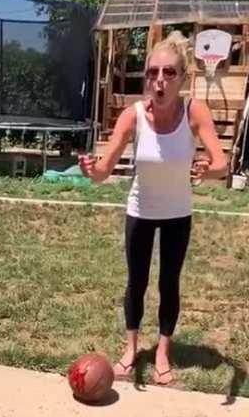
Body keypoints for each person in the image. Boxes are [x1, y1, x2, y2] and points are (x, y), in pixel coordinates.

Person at [79, 32, 227, 385]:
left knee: (169, 283)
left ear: (183, 77)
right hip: (140, 211)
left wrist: (210, 169)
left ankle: (162, 352)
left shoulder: (196, 111)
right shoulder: (132, 116)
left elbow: (222, 162)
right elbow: (103, 172)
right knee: (137, 282)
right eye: (152, 73)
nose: (159, 81)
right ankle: (131, 350)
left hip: (178, 212)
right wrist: (92, 170)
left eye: (169, 73)